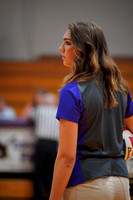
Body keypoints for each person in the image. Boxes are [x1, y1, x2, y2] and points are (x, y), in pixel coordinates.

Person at [49, 21, 133, 200]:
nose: (60, 48)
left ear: (83, 49)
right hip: (122, 182)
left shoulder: (71, 91)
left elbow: (66, 157)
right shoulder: (120, 88)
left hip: (87, 184)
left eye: (67, 43)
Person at [28, 91, 59, 200]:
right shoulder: (57, 111)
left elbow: (29, 115)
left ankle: (37, 197)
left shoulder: (39, 109)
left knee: (39, 172)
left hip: (41, 143)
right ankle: (51, 196)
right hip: (53, 145)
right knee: (51, 172)